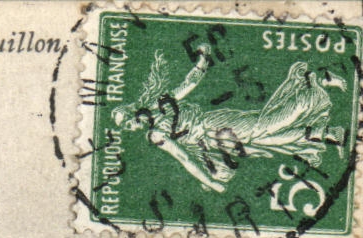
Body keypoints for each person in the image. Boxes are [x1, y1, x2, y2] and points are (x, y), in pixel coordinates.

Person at [110, 45, 349, 192]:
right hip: (212, 144)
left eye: (129, 120)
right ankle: (328, 133)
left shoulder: (160, 103)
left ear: (134, 110)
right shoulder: (155, 135)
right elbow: (184, 157)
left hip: (214, 125)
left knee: (265, 126)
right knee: (266, 140)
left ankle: (311, 82)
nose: (132, 127)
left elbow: (188, 85)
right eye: (128, 127)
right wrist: (210, 179)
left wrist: (202, 62)